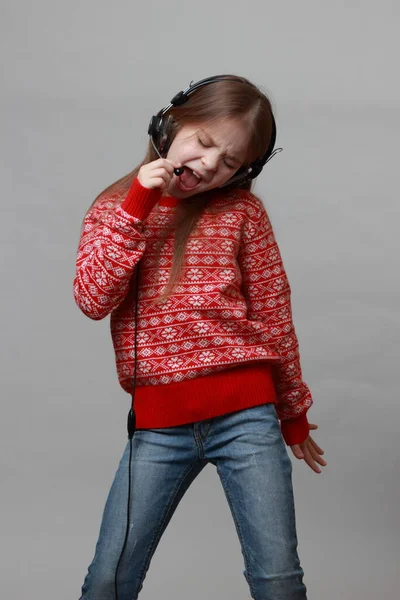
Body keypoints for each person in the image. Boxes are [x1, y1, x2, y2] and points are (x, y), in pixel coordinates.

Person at [73, 74, 326, 600]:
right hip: (158, 426)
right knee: (109, 579)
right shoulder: (115, 209)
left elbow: (275, 313)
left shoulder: (242, 213)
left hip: (247, 417)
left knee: (278, 578)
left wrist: (293, 411)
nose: (211, 165)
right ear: (169, 124)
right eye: (205, 143)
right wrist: (140, 202)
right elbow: (94, 299)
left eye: (230, 162)